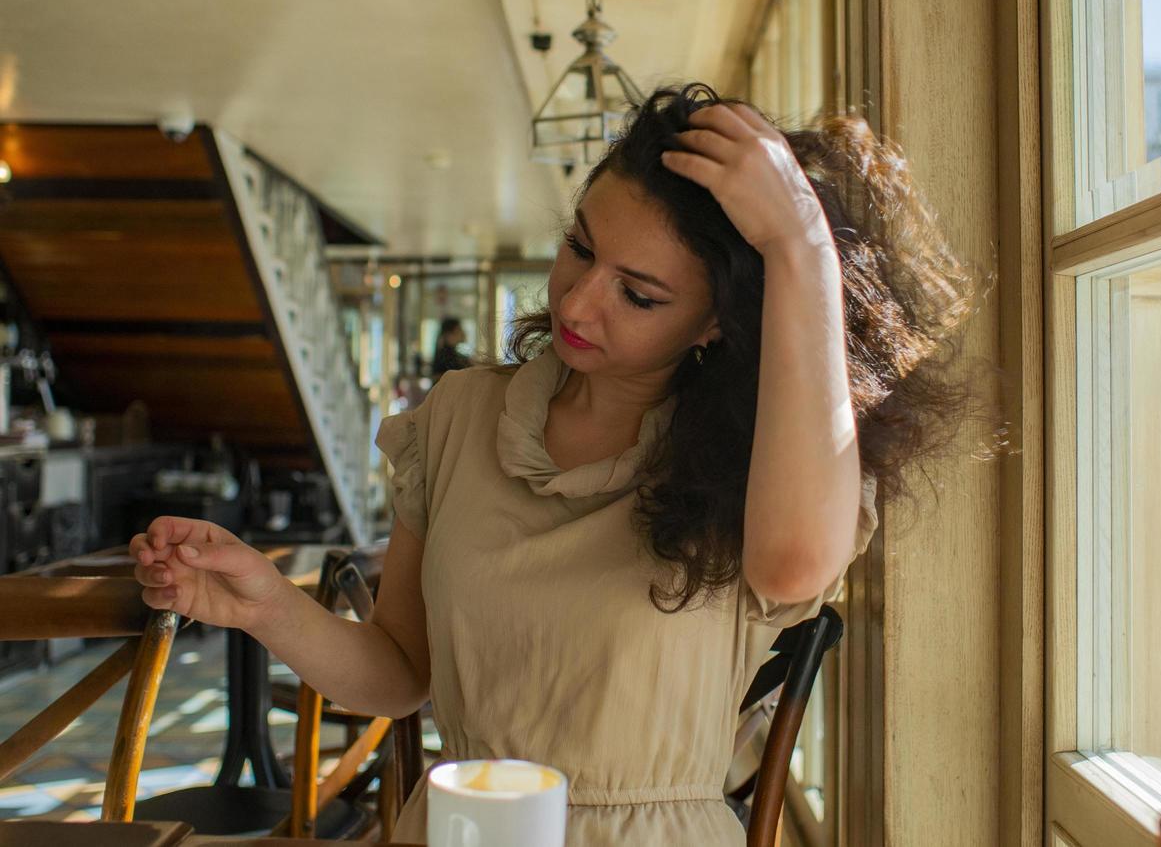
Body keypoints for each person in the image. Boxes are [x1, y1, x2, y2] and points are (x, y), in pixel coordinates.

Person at [129, 82, 977, 846]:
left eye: (638, 295)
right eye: (579, 247)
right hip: (462, 828)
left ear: (717, 322)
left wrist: (801, 247)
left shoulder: (753, 467)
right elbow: (398, 673)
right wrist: (264, 605)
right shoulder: (461, 417)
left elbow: (795, 563)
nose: (575, 302)